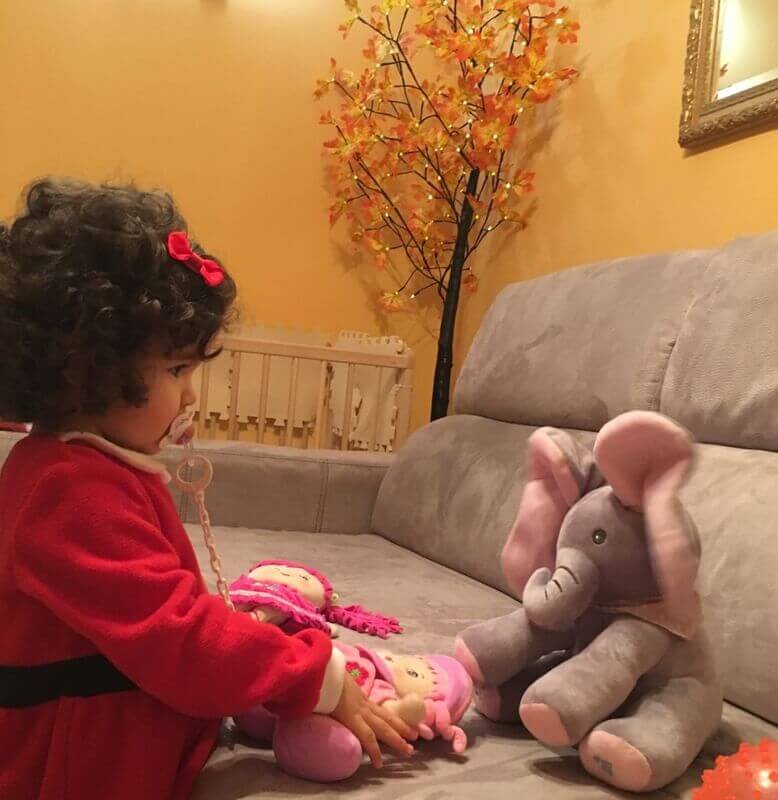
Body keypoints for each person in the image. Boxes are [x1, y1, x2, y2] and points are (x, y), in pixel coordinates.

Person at [0, 178, 415, 800]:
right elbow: (179, 638)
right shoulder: (66, 492)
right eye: (176, 370)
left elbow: (161, 599)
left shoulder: (90, 466)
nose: (191, 394)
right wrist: (315, 675)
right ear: (88, 374)